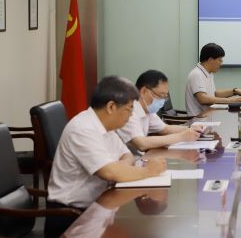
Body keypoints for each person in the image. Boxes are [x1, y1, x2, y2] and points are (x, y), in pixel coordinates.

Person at [46, 76, 167, 235]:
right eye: (129, 109)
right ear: (111, 107)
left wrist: (119, 169)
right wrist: (148, 171)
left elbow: (127, 155)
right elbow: (108, 172)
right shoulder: (83, 129)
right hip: (72, 216)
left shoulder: (106, 126)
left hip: (100, 206)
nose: (131, 115)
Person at [117, 70, 204, 153]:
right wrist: (181, 137)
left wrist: (192, 129)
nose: (162, 101)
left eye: (165, 97)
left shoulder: (147, 109)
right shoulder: (129, 110)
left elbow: (165, 129)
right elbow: (142, 144)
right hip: (128, 160)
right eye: (161, 95)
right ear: (144, 91)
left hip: (140, 157)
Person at [185, 43, 241, 116]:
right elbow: (203, 98)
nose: (221, 64)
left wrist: (234, 91)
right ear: (210, 60)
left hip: (208, 115)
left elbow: (214, 94)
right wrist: (231, 100)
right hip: (198, 119)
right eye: (219, 60)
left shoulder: (208, 74)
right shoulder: (196, 74)